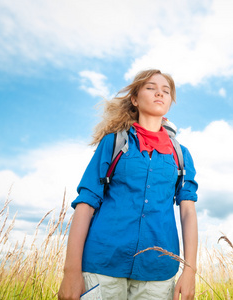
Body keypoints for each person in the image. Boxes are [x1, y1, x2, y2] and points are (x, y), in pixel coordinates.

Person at [58, 69, 198, 300]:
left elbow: (188, 213)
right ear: (134, 99)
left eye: (166, 91)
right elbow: (86, 204)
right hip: (103, 263)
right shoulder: (113, 143)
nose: (159, 94)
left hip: (158, 270)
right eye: (151, 88)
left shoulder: (180, 155)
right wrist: (71, 272)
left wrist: (190, 271)